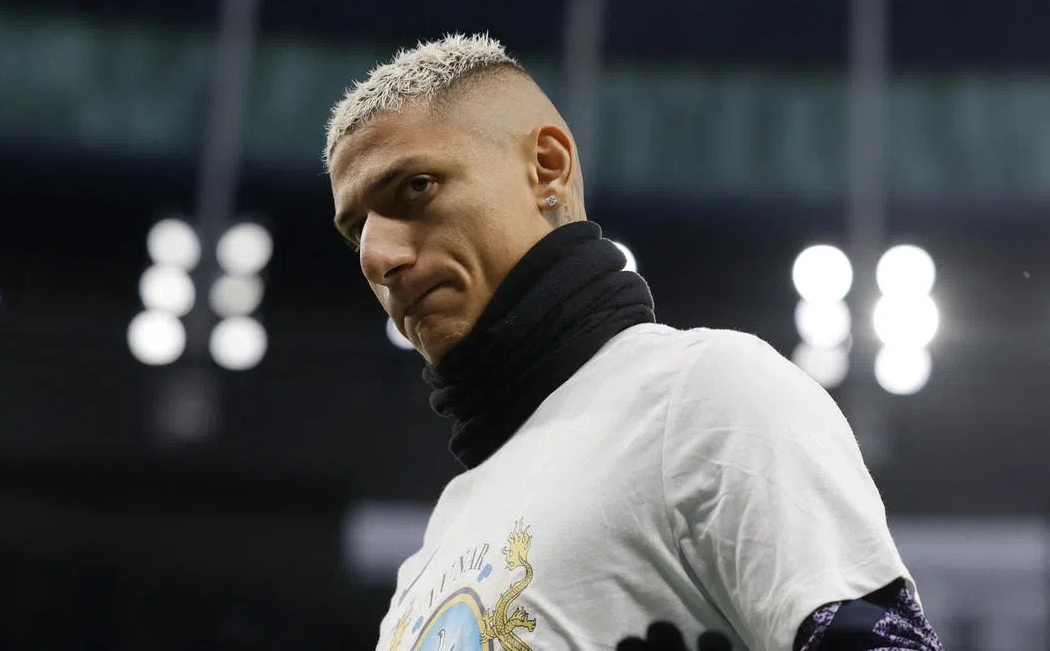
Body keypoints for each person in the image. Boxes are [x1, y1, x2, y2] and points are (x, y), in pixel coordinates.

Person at [324, 34, 943, 651]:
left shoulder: (705, 393)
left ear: (547, 168)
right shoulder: (435, 551)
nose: (379, 257)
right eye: (357, 233)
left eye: (415, 188)